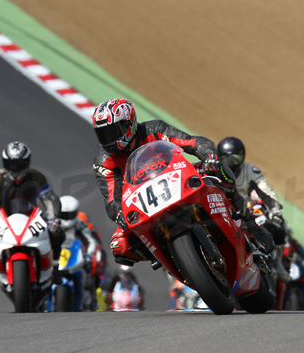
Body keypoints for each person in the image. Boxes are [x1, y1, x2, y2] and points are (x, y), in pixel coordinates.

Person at [91, 98, 274, 267]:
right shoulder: (104, 161)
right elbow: (111, 200)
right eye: (102, 134)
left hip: (175, 181)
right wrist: (119, 214)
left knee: (219, 170)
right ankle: (166, 256)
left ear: (128, 124)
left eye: (111, 132)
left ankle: (251, 225)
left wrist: (209, 156)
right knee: (119, 246)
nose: (107, 140)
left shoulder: (154, 129)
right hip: (143, 203)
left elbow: (193, 142)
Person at [0, 141, 65, 291]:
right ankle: (2, 266)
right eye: (11, 163)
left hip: (33, 217)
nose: (14, 168)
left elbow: (49, 199)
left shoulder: (36, 177)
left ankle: (55, 266)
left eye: (18, 163)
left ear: (27, 162)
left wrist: (53, 219)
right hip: (4, 219)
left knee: (57, 233)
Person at [217, 136, 288, 246]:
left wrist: (275, 211)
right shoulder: (214, 170)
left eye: (236, 158)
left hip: (246, 213)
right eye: (226, 158)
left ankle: (275, 255)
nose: (231, 163)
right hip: (222, 213)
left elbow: (265, 191)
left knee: (273, 224)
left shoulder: (250, 171)